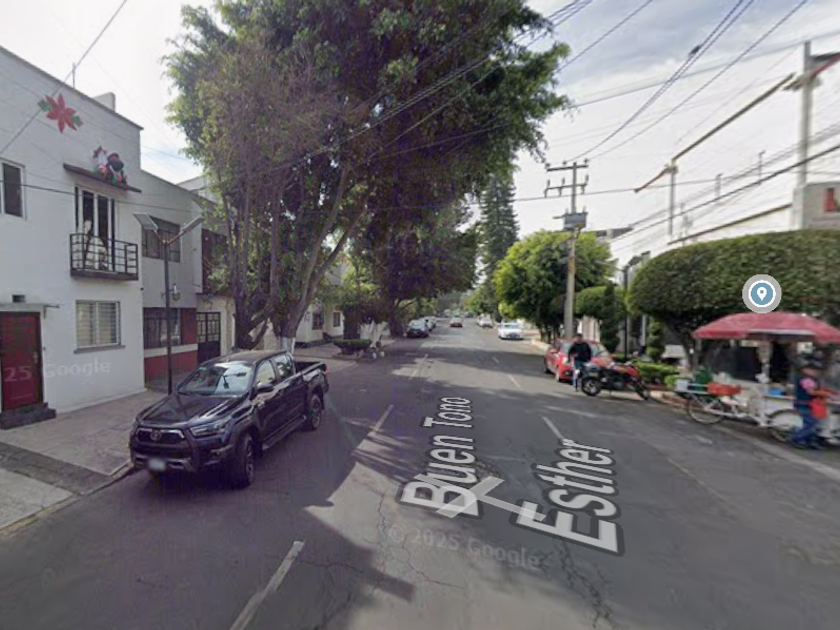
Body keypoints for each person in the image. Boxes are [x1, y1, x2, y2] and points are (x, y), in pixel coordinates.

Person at [789, 361, 831, 449]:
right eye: (814, 370)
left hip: (809, 405)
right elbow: (811, 392)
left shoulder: (810, 379)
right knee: (811, 424)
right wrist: (826, 394)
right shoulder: (806, 379)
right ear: (805, 370)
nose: (816, 372)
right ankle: (796, 438)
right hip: (804, 404)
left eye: (817, 370)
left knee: (811, 423)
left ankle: (809, 441)